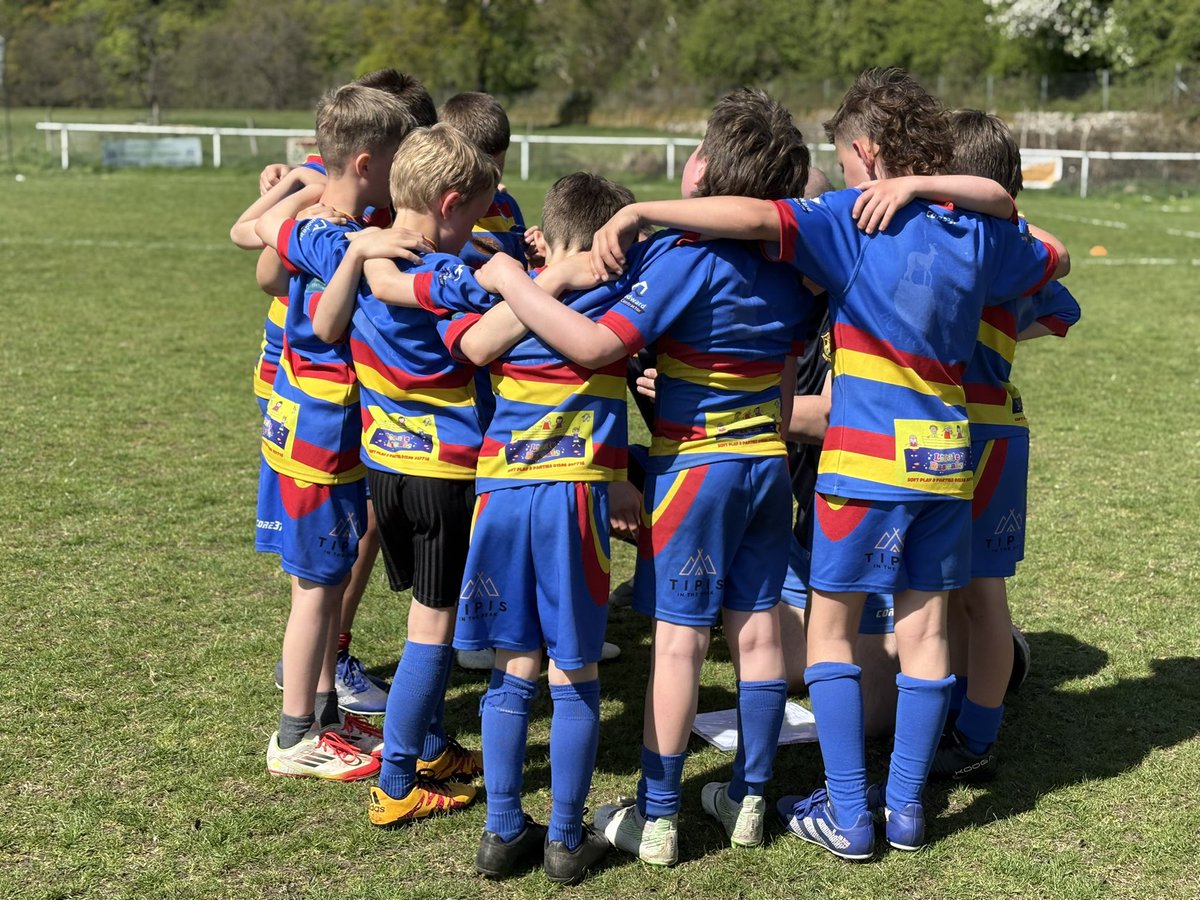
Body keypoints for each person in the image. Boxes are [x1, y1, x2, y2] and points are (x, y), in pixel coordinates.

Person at [586, 67, 1070, 858]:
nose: (843, 174)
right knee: (926, 637)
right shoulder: (975, 230)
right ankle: (907, 809)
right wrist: (956, 191)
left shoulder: (853, 220)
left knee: (832, 639)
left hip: (862, 466)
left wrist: (639, 209)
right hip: (947, 465)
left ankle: (848, 813)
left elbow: (747, 217)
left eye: (845, 160)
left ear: (868, 152)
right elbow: (1049, 250)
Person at [494, 88, 816, 866]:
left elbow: (602, 346)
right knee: (759, 626)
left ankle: (660, 816)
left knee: (677, 641)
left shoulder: (683, 255)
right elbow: (775, 380)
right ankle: (748, 797)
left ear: (701, 166)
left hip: (694, 470)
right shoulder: (793, 264)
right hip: (766, 467)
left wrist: (519, 287)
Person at [438, 172, 641, 884]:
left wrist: (534, 278)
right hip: (568, 503)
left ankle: (501, 832)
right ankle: (563, 839)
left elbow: (474, 347)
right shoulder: (619, 304)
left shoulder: (511, 297)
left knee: (512, 665)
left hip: (500, 497)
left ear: (541, 236)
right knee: (574, 672)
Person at [306, 123, 504, 823]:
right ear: (452, 204)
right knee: (433, 627)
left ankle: (429, 745)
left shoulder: (354, 253)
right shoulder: (446, 280)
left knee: (425, 612)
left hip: (383, 466)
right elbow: (491, 299)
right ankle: (397, 785)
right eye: (478, 211)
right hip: (442, 472)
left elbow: (297, 234)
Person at [233, 69, 439, 715]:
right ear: (367, 161)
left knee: (320, 582)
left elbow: (258, 236)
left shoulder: (317, 226)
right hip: (320, 433)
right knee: (318, 586)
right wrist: (358, 249)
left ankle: (320, 709)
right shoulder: (338, 237)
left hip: (312, 425)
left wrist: (298, 189)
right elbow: (322, 319)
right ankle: (301, 727)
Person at [933, 109, 1081, 782]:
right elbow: (1062, 314)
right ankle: (975, 731)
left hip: (952, 430)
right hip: (999, 426)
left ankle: (963, 730)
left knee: (948, 593)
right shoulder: (1016, 254)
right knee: (979, 595)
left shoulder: (952, 243)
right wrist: (1003, 329)